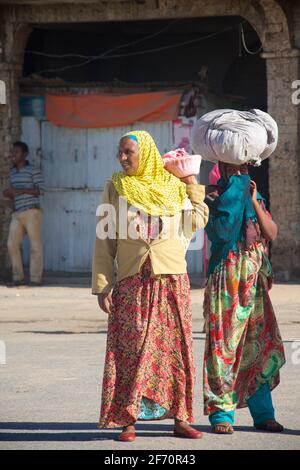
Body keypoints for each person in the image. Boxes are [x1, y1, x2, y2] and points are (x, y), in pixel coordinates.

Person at [92, 130, 209, 442]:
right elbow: (105, 240)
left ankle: (181, 418)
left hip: (172, 280)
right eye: (120, 152)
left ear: (145, 153)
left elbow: (197, 221)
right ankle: (127, 420)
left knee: (176, 351)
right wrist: (103, 285)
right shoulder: (116, 188)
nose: (122, 158)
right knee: (129, 350)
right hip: (133, 282)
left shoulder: (174, 185)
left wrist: (191, 184)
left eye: (129, 152)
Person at [203, 162, 285, 434]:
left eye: (242, 168)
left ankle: (264, 414)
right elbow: (224, 231)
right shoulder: (214, 197)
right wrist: (236, 191)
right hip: (226, 282)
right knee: (223, 348)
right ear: (223, 168)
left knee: (258, 348)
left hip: (254, 285)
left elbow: (271, 233)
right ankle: (221, 415)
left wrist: (253, 200)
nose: (239, 173)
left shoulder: (253, 195)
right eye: (233, 168)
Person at [3, 141, 44, 286]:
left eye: (17, 152)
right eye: (13, 152)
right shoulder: (13, 172)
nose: (13, 155)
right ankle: (18, 277)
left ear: (25, 154)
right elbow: (12, 192)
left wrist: (19, 191)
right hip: (17, 213)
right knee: (11, 244)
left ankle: (35, 278)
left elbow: (40, 190)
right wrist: (9, 193)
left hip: (32, 211)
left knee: (35, 246)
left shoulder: (33, 170)